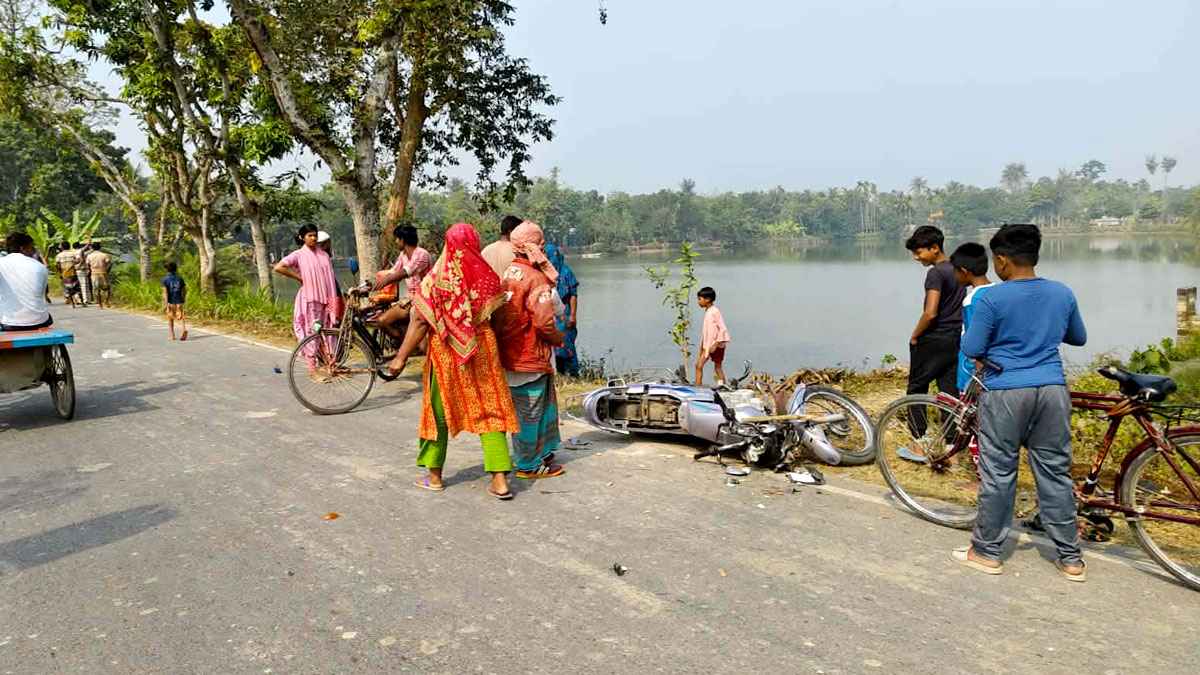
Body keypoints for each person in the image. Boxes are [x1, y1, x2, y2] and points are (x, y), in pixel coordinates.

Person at [954, 223, 1088, 582]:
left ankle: (986, 552)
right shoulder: (1062, 292)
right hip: (1052, 389)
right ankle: (1071, 559)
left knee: (999, 473)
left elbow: (971, 348)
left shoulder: (992, 299)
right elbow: (1078, 337)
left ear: (1001, 261)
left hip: (1006, 390)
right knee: (1055, 472)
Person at [387, 223, 520, 500]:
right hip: (482, 348)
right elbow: (499, 318)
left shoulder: (435, 277)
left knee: (437, 411)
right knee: (490, 408)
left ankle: (434, 476)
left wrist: (400, 357)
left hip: (446, 350)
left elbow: (421, 321)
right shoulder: (487, 276)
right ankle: (499, 479)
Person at [494, 221, 567, 480]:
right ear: (536, 246)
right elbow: (545, 322)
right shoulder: (536, 278)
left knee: (542, 405)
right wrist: (560, 338)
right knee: (530, 411)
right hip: (530, 355)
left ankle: (544, 451)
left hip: (511, 353)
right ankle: (528, 464)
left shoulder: (509, 272)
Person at [903, 225, 965, 440]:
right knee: (948, 389)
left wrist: (915, 336)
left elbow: (930, 313)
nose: (916, 258)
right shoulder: (958, 270)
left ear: (935, 248)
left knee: (917, 387)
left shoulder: (935, 273)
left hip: (935, 337)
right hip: (955, 336)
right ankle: (951, 438)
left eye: (919, 252)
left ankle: (918, 436)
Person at [274, 224, 340, 367]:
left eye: (315, 235)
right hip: (311, 300)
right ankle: (312, 368)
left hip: (327, 299)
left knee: (328, 330)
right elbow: (279, 267)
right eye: (310, 235)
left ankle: (330, 364)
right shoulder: (298, 255)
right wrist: (299, 277)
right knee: (313, 331)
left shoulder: (324, 255)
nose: (313, 238)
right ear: (302, 237)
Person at [950, 242, 996, 393]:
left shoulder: (972, 300)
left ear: (964, 271)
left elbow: (976, 344)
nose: (954, 276)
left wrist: (978, 378)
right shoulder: (997, 291)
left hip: (972, 373)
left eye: (955, 272)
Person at [373, 224, 433, 339]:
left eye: (397, 238)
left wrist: (387, 280)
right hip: (410, 299)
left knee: (382, 320)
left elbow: (405, 272)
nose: (396, 241)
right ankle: (404, 342)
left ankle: (408, 344)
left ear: (403, 240)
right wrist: (373, 283)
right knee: (381, 320)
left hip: (424, 300)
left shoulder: (421, 254)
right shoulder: (403, 255)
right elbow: (394, 271)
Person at [0, 232, 52, 330]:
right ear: (22, 248)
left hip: (9, 323)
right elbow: (42, 294)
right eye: (31, 248)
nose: (33, 251)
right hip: (40, 321)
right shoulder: (40, 266)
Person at [544, 242, 581, 376]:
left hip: (564, 316)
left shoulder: (566, 272)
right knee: (554, 348)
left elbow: (573, 294)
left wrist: (573, 315)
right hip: (550, 316)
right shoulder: (544, 273)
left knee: (567, 345)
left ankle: (573, 374)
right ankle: (558, 374)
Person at [695, 286, 731, 386]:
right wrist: (702, 346)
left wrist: (715, 344)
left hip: (715, 345)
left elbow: (722, 328)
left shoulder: (714, 311)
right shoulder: (708, 311)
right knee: (715, 367)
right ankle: (721, 385)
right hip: (708, 346)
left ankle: (698, 387)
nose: (698, 302)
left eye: (699, 299)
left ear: (707, 299)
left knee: (700, 366)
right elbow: (707, 331)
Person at [161, 261, 188, 340]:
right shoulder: (180, 278)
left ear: (167, 269)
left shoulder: (165, 279)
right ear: (176, 269)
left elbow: (165, 292)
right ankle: (184, 329)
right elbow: (184, 290)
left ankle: (172, 335)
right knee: (181, 316)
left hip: (171, 301)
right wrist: (183, 299)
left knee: (170, 318)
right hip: (179, 300)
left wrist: (166, 304)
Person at [87, 243, 114, 309]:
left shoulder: (89, 256)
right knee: (107, 288)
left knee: (96, 289)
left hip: (94, 273)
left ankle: (100, 304)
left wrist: (90, 271)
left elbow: (88, 265)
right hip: (103, 272)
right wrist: (107, 271)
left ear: (92, 248)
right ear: (100, 247)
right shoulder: (104, 255)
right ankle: (106, 302)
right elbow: (109, 263)